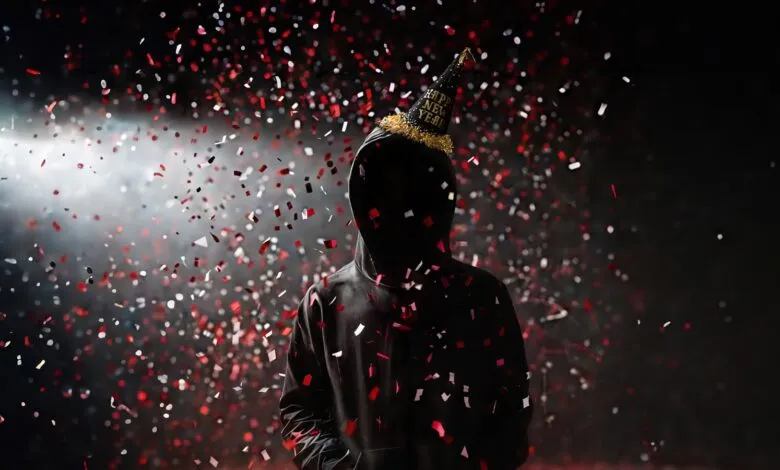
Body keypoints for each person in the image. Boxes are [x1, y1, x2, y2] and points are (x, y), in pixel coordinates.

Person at [280, 48, 532, 470]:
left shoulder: (481, 297)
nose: (398, 206)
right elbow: (300, 412)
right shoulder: (325, 302)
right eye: (385, 189)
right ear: (365, 196)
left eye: (411, 192)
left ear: (435, 200)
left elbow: (512, 411)